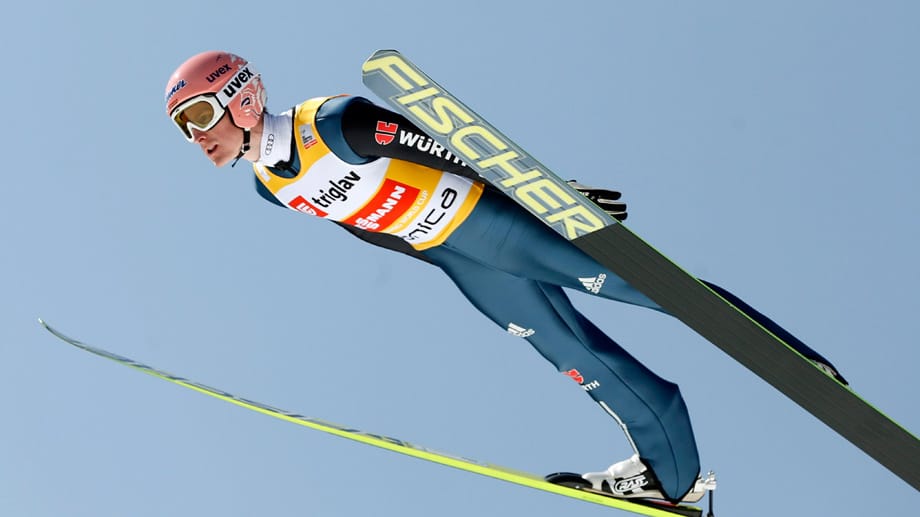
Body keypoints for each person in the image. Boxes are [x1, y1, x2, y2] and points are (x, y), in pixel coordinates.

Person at [164, 50, 845, 503]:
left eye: (197, 115)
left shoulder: (336, 122)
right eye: (182, 128)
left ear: (243, 98)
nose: (196, 138)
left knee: (653, 287)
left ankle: (796, 361)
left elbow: (445, 146)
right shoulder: (267, 188)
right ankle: (674, 476)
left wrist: (551, 194)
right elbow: (364, 222)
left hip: (499, 221)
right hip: (463, 260)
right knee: (582, 362)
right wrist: (432, 254)